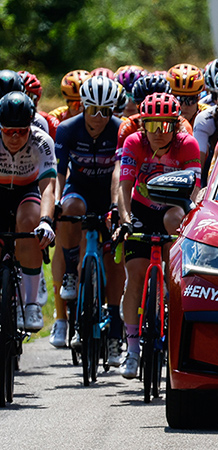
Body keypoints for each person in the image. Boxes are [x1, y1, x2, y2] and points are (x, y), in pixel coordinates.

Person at [116, 93, 201, 378]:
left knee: (174, 221)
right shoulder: (133, 143)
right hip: (141, 209)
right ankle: (131, 349)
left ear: (175, 126)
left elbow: (194, 190)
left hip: (172, 210)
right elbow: (124, 186)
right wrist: (125, 220)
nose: (157, 134)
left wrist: (189, 226)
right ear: (143, 126)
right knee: (135, 276)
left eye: (164, 126)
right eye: (151, 126)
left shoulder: (186, 143)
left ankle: (171, 313)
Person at [52, 76, 125, 362]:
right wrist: (56, 203)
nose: (99, 117)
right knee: (69, 209)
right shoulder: (67, 129)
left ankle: (115, 331)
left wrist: (117, 209)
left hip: (108, 193)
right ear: (82, 106)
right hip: (79, 190)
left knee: (113, 258)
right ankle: (71, 270)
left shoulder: (120, 130)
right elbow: (58, 174)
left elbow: (121, 174)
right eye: (93, 109)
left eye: (106, 111)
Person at [0, 92, 57, 331]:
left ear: (30, 126)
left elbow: (48, 189)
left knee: (30, 222)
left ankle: (32, 303)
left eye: (21, 131)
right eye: (8, 131)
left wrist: (46, 222)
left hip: (28, 190)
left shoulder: (42, 141)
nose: (14, 137)